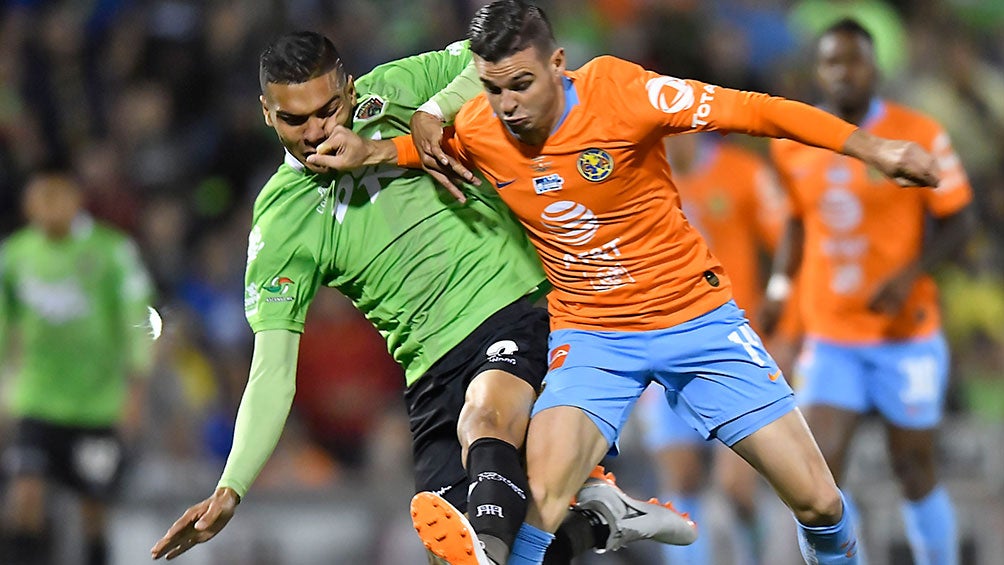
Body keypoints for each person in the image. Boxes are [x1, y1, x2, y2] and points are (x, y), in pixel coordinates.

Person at [308, 2, 942, 564]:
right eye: (494, 88)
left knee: (819, 505)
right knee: (533, 514)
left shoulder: (622, 92)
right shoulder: (480, 124)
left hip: (696, 321)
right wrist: (370, 154)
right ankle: (599, 514)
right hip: (592, 338)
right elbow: (439, 148)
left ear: (559, 62)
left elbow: (756, 111)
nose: (508, 107)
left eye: (522, 85)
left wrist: (874, 149)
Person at [149, 31, 694, 565]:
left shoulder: (400, 89)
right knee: (485, 542)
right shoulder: (281, 220)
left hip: (520, 307)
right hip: (430, 371)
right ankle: (597, 518)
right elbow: (272, 369)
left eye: (329, 109)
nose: (317, 130)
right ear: (267, 113)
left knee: (486, 417)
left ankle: (566, 514)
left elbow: (497, 57)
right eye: (295, 119)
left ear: (351, 86)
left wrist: (432, 114)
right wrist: (232, 486)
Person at [760, 19, 975, 565]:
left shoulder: (919, 134)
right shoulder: (797, 141)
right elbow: (797, 221)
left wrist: (909, 275)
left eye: (854, 60)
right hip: (831, 334)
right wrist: (781, 286)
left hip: (905, 332)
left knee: (914, 469)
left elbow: (959, 221)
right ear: (819, 70)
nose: (844, 72)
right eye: (832, 61)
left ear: (874, 67)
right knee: (820, 476)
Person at [638, 132, 791, 565]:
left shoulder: (744, 172)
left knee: (737, 487)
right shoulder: (640, 181)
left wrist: (787, 329)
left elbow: (788, 245)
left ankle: (756, 553)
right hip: (664, 349)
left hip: (733, 350)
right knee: (680, 480)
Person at [0, 168, 155, 565]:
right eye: (40, 197)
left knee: (94, 511)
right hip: (37, 401)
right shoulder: (15, 256)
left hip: (96, 406)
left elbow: (136, 317)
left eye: (57, 196)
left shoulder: (111, 251)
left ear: (75, 199)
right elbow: (4, 326)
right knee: (24, 496)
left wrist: (135, 389)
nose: (48, 206)